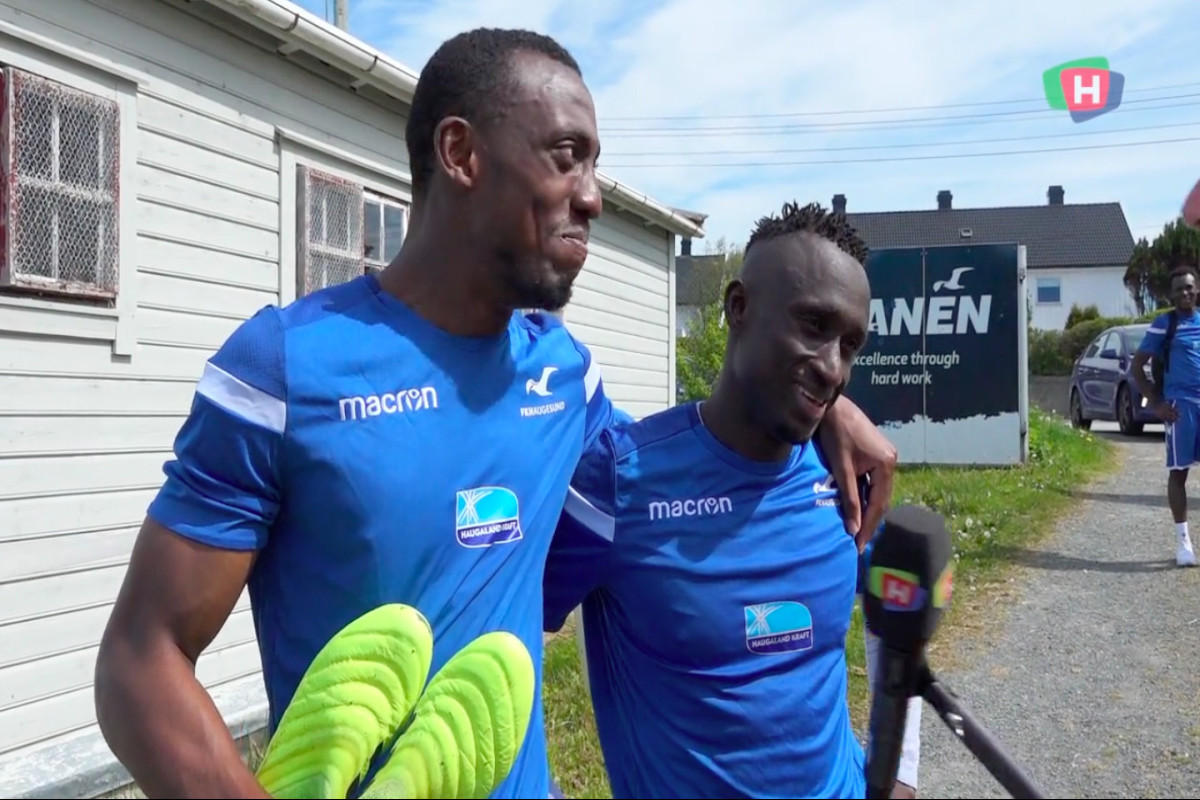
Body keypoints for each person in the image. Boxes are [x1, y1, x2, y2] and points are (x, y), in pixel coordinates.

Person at [92, 28, 900, 800]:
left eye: (595, 166)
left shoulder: (565, 377)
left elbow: (690, 451)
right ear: (461, 153)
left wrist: (823, 400)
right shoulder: (283, 370)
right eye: (566, 157)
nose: (592, 198)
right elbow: (140, 659)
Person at [543, 201, 921, 799]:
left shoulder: (844, 476)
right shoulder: (619, 479)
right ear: (738, 308)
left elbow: (894, 606)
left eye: (850, 345)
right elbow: (504, 626)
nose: (833, 369)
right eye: (814, 326)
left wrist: (899, 772)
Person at [1132, 264, 1200, 568]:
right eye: (1179, 289)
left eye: (1189, 287)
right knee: (1178, 473)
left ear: (1197, 289)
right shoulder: (1165, 324)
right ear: (1171, 295)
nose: (1185, 293)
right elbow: (1137, 366)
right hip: (1180, 407)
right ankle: (1183, 542)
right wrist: (1156, 404)